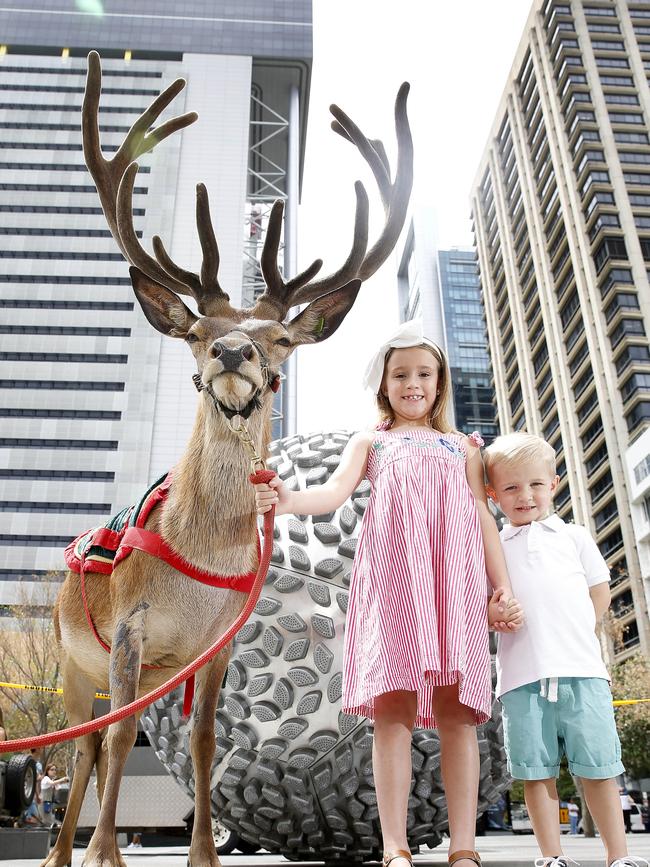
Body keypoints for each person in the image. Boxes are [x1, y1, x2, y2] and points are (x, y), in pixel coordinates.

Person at [256, 320, 523, 867]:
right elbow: (332, 492)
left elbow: (482, 517)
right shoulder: (371, 441)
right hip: (393, 586)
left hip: (454, 587)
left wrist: (502, 589)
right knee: (392, 711)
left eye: (424, 373)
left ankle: (464, 845)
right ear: (383, 383)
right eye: (400, 374)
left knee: (459, 714)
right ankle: (395, 845)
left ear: (440, 381)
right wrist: (285, 500)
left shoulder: (462, 446)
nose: (413, 383)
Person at [483, 431, 644, 867]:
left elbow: (598, 591)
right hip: (521, 679)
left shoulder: (574, 537)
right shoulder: (492, 547)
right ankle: (552, 856)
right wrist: (494, 614)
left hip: (583, 672)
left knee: (600, 768)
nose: (525, 495)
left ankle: (619, 855)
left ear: (552, 484)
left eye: (535, 484)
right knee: (536, 773)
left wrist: (576, 634)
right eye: (511, 487)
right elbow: (484, 607)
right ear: (492, 493)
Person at [40, 763, 68, 827]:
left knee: (48, 820)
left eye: (55, 770)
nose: (54, 771)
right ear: (47, 771)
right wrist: (62, 779)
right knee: (47, 820)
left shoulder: (51, 780)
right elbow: (52, 783)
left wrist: (59, 781)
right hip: (43, 802)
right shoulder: (46, 778)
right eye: (52, 770)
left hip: (48, 802)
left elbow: (58, 788)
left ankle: (58, 825)